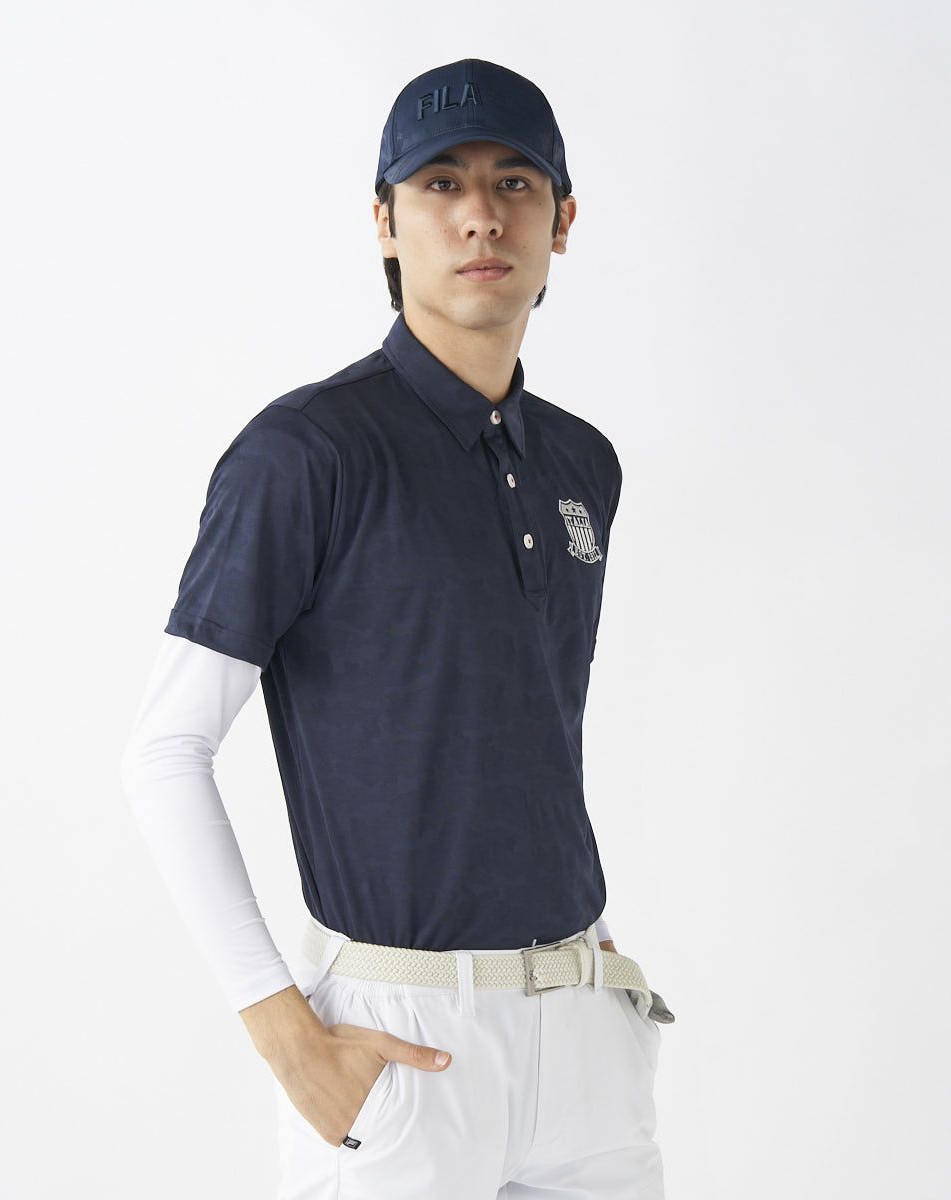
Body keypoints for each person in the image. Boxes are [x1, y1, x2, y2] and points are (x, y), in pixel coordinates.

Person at [119, 56, 674, 1199]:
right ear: (384, 220)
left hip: (583, 1031)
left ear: (563, 220)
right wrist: (283, 1032)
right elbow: (164, 749)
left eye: (515, 183)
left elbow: (519, 724)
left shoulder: (583, 462)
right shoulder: (306, 454)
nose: (480, 215)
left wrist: (582, 958)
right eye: (439, 184)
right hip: (401, 1042)